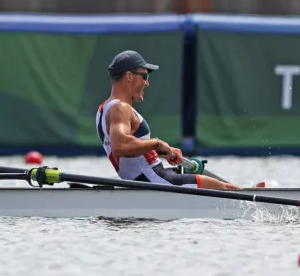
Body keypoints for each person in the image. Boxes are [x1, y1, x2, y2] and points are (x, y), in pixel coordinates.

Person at [97, 50, 239, 190]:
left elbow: (132, 152)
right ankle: (252, 197)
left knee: (218, 184)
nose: (147, 83)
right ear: (129, 76)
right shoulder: (121, 108)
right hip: (157, 182)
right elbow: (120, 146)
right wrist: (157, 144)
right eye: (145, 76)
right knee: (224, 188)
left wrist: (166, 150)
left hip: (147, 179)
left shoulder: (104, 109)